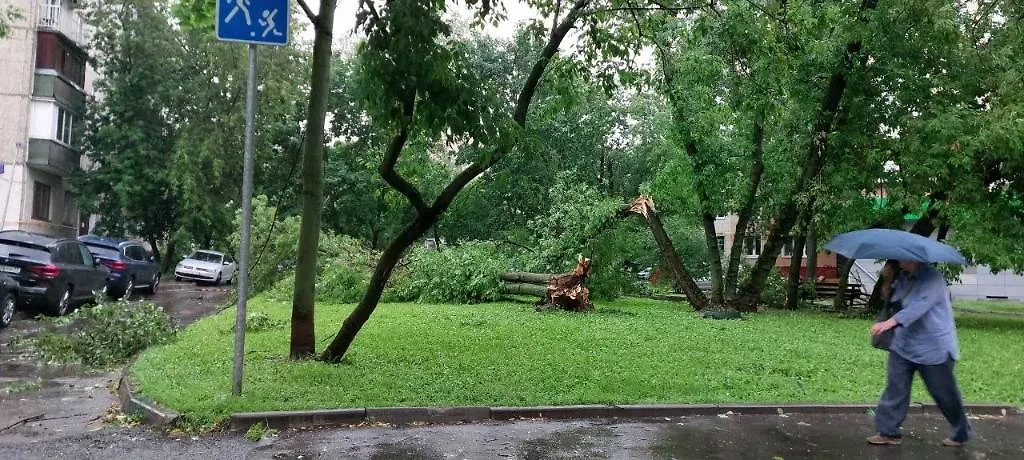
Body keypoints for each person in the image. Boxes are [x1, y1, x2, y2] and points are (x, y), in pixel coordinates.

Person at [867, 259, 971, 447]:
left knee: (944, 394)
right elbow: (892, 302)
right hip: (904, 344)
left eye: (901, 257)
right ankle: (888, 432)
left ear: (913, 258)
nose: (898, 260)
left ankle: (960, 432)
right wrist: (888, 281)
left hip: (933, 348)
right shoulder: (902, 278)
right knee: (895, 389)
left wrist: (888, 324)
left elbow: (918, 308)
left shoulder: (933, 279)